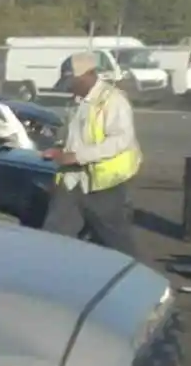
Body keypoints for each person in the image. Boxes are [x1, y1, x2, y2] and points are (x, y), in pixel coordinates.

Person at [41, 50, 141, 256]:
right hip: (72, 180)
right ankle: (47, 277)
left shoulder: (112, 101)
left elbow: (121, 140)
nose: (69, 87)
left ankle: (135, 276)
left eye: (72, 81)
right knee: (54, 234)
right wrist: (60, 150)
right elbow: (75, 136)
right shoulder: (77, 102)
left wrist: (79, 156)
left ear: (88, 75)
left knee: (115, 240)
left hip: (103, 185)